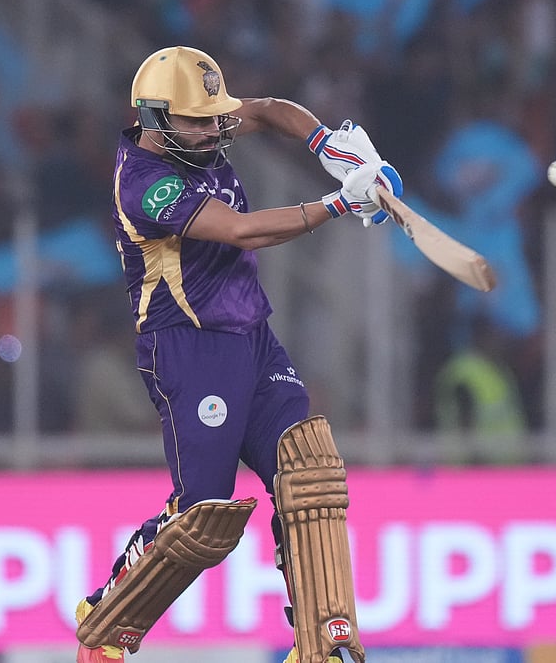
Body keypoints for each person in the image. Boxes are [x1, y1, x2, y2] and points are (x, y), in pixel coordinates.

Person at [74, 46, 401, 663]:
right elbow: (242, 231)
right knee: (204, 512)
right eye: (197, 122)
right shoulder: (145, 183)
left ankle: (321, 641)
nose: (213, 130)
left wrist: (329, 146)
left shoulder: (199, 126)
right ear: (155, 118)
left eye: (214, 117)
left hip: (253, 336)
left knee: (309, 475)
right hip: (188, 347)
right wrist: (338, 203)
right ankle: (108, 618)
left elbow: (272, 110)